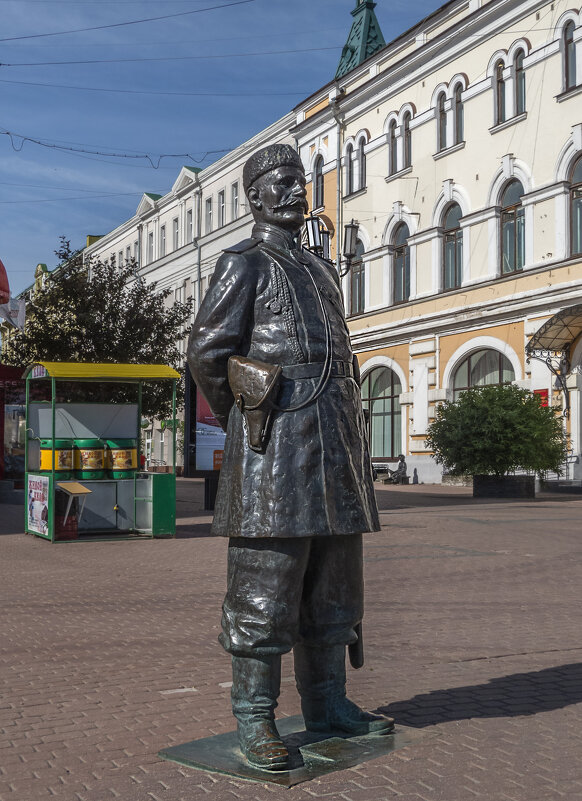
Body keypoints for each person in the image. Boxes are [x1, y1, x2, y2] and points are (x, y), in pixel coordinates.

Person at [187, 143, 393, 772]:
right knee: (266, 589)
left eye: (300, 180)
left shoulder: (321, 269)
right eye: (280, 182)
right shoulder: (242, 263)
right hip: (276, 449)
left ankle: (329, 704)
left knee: (335, 587)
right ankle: (255, 719)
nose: (295, 190)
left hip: (334, 447)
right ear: (255, 195)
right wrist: (251, 419)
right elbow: (206, 353)